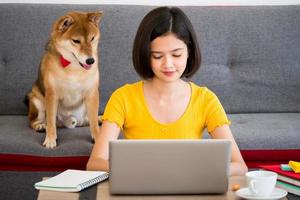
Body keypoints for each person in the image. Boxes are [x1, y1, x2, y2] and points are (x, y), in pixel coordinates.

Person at [87, 6, 248, 176]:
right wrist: (144, 171)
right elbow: (95, 163)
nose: (168, 64)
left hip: (188, 186)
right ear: (145, 55)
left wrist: (203, 171)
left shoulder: (206, 99)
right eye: (157, 56)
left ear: (189, 52)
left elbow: (239, 166)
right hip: (141, 188)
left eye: (176, 55)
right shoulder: (123, 98)